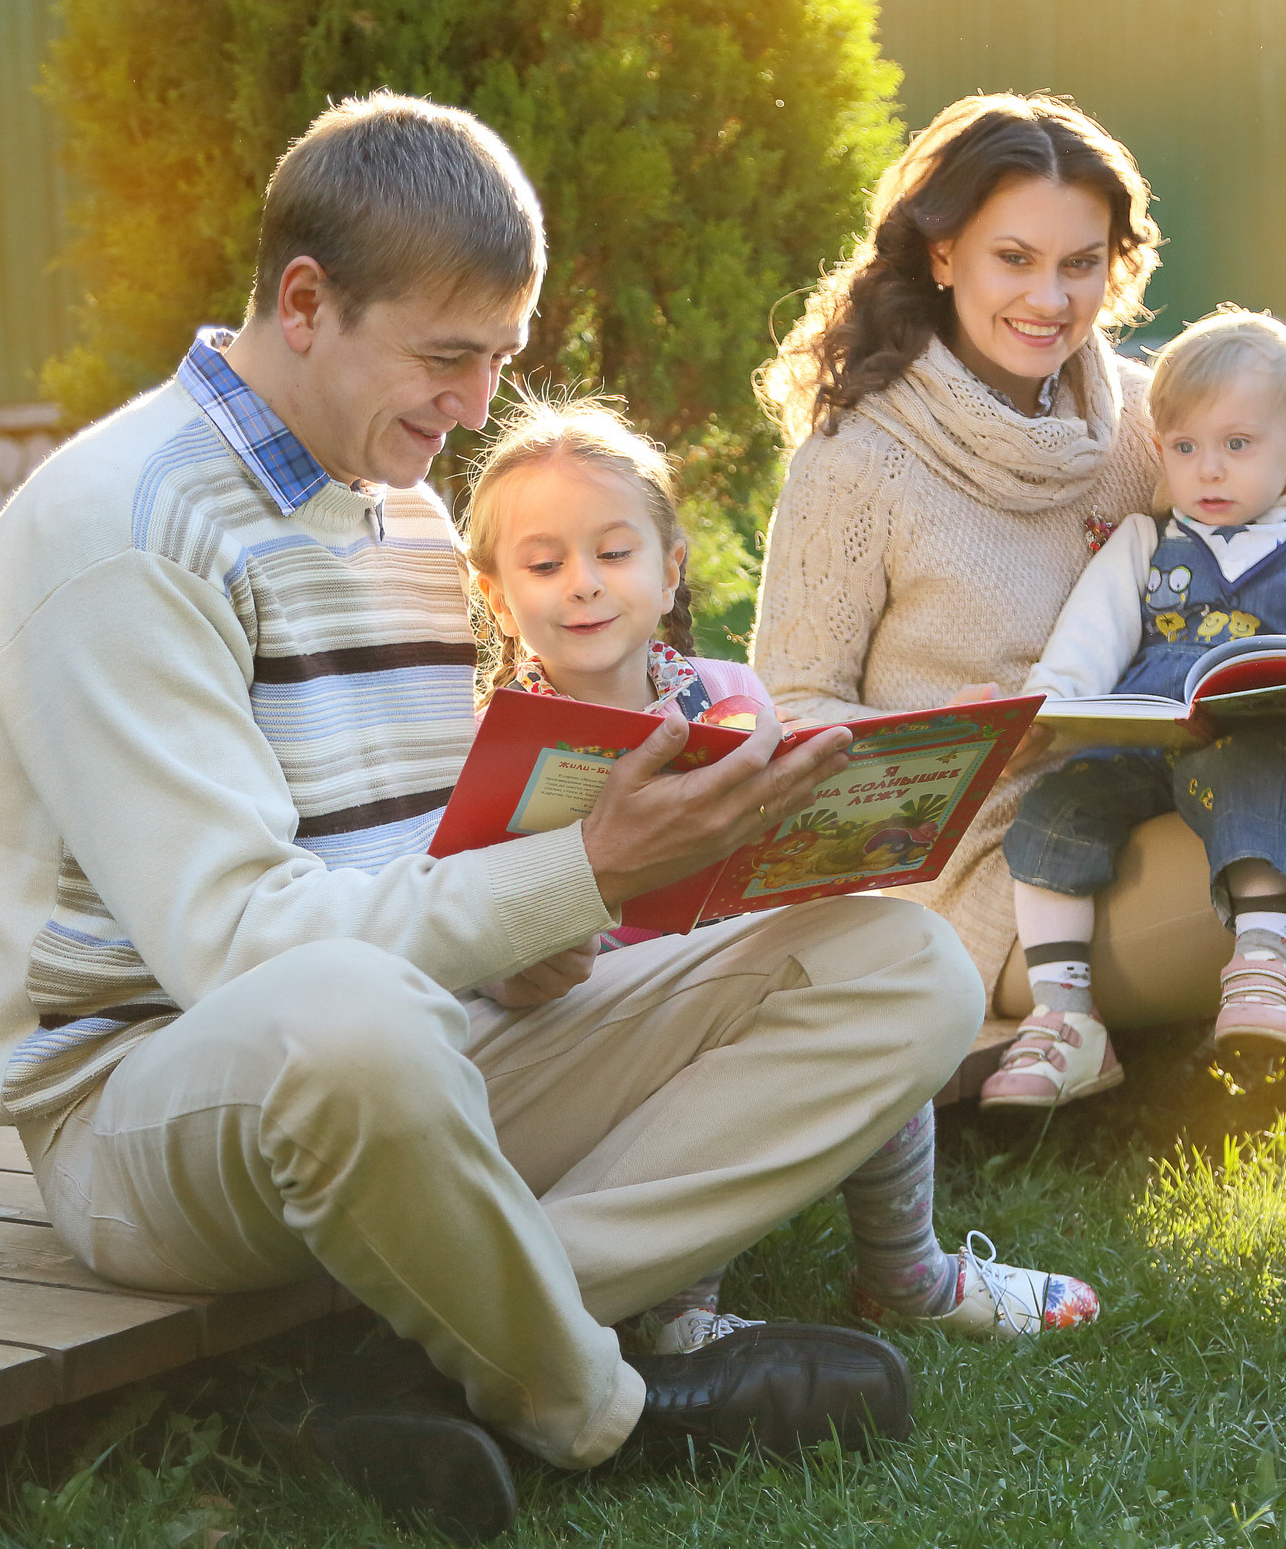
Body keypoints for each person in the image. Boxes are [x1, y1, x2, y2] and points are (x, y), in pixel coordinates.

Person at [0, 93, 992, 1545]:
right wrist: (580, 870)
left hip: (421, 1044)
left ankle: (423, 1347)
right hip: (147, 1107)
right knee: (346, 1015)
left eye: (498, 355)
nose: (475, 402)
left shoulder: (404, 510)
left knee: (900, 965)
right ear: (304, 302)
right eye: (448, 355)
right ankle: (598, 1404)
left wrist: (554, 921)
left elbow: (438, 855)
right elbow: (235, 951)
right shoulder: (119, 532)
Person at [752, 90, 1286, 1145]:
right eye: (1013, 259)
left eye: (1081, 264)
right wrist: (955, 742)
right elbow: (794, 713)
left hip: (1203, 780)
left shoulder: (1147, 415)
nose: (1050, 298)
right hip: (1011, 870)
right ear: (942, 256)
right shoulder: (857, 463)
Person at [462, 394, 1100, 1336]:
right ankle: (676, 1305)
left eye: (613, 552)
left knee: (874, 979)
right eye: (545, 564)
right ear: (496, 595)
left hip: (735, 977)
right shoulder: (498, 748)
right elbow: (485, 948)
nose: (584, 584)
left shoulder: (729, 696)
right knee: (710, 1049)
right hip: (583, 1031)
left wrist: (911, 772)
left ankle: (905, 1272)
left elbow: (796, 831)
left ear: (671, 567)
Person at [982, 308, 1286, 1108]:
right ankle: (1065, 1017)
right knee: (1057, 807)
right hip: (1153, 739)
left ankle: (1263, 965)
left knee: (1246, 775)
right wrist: (1049, 710)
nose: (1207, 471)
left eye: (1236, 446)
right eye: (1185, 448)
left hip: (1278, 747)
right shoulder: (1143, 541)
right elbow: (1084, 644)